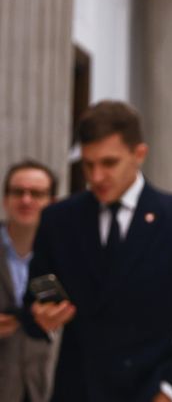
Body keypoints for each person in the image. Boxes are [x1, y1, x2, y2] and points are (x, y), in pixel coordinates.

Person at [21, 101, 172, 402]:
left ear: (139, 154)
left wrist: (171, 390)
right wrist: (41, 318)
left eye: (109, 163)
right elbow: (35, 304)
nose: (96, 177)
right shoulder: (59, 219)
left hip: (148, 389)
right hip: (77, 390)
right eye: (88, 165)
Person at [1, 160, 58, 401]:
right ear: (5, 199)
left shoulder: (64, 255)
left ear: (52, 203)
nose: (26, 200)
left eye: (36, 193)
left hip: (40, 387)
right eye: (18, 192)